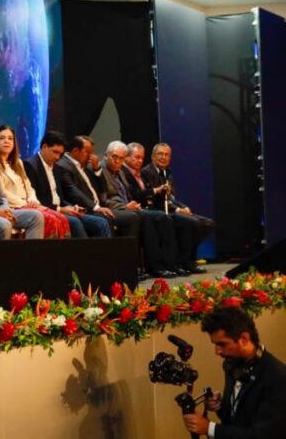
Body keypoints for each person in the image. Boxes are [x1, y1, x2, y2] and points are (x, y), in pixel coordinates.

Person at [182, 306, 286, 437]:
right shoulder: (231, 364)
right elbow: (235, 419)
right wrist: (221, 407)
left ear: (244, 339)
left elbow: (262, 435)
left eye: (222, 344)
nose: (217, 351)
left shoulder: (278, 377)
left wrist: (210, 428)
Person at [100, 141, 180, 278]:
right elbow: (103, 198)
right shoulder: (101, 171)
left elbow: (129, 193)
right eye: (114, 157)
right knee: (148, 217)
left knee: (159, 217)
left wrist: (133, 205)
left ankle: (169, 264)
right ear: (105, 155)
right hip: (116, 209)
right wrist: (126, 206)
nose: (117, 161)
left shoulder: (120, 172)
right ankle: (152, 266)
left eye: (120, 158)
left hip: (131, 207)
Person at [142, 142, 213, 274]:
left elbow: (171, 197)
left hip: (172, 207)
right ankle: (185, 262)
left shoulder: (167, 173)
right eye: (160, 154)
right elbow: (155, 199)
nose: (163, 157)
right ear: (152, 157)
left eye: (166, 155)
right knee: (192, 223)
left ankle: (185, 257)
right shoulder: (147, 173)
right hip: (160, 210)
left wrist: (183, 206)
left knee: (207, 223)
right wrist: (177, 210)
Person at [0, 124, 70, 238]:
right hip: (13, 205)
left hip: (28, 204)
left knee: (62, 219)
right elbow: (2, 192)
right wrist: (25, 204)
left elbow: (28, 186)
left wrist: (32, 199)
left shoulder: (18, 162)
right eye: (2, 138)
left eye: (10, 138)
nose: (6, 141)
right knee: (50, 219)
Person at [22, 130, 92, 238]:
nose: (57, 157)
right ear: (44, 147)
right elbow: (37, 199)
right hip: (46, 211)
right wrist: (61, 209)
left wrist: (72, 207)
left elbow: (59, 196)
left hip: (60, 209)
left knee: (99, 221)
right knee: (75, 223)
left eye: (60, 154)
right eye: (55, 152)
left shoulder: (56, 167)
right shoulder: (31, 165)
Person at [54, 135, 117, 238]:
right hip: (83, 207)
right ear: (75, 151)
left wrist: (97, 169)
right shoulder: (63, 166)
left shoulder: (87, 166)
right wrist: (95, 207)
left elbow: (103, 188)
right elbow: (72, 190)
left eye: (91, 152)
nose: (90, 156)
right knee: (104, 220)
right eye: (87, 152)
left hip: (98, 205)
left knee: (111, 217)